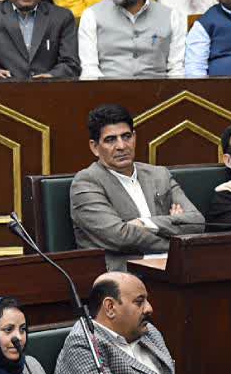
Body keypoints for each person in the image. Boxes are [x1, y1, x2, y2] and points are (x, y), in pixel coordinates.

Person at [70, 105, 204, 271]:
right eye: (110, 140)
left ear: (134, 137)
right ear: (95, 147)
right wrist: (175, 237)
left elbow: (197, 221)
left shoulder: (159, 174)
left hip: (175, 267)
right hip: (124, 274)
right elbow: (120, 237)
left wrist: (144, 223)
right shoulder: (86, 182)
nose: (121, 146)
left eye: (126, 136)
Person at [54, 272, 185, 374]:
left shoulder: (149, 333)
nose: (149, 308)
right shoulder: (82, 344)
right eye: (139, 302)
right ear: (110, 307)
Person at [78, 0, 185, 79]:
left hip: (157, 90)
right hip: (109, 90)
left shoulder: (172, 17)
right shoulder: (92, 16)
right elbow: (90, 71)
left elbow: (176, 70)